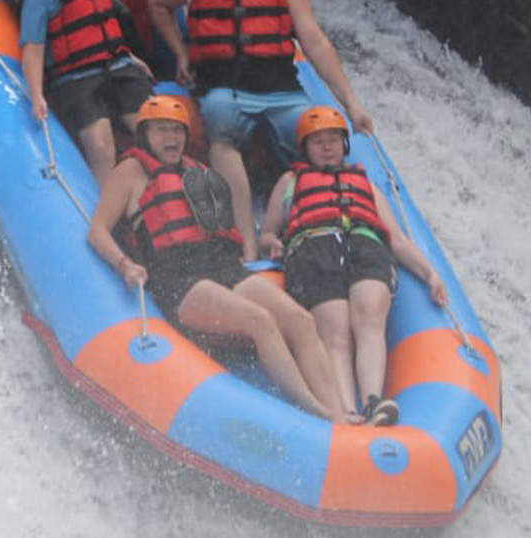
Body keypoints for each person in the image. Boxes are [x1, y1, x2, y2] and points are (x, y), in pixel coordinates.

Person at [87, 95, 357, 423]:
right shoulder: (130, 171)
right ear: (144, 134)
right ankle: (317, 411)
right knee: (260, 320)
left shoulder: (198, 172)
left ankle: (341, 414)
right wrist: (124, 264)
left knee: (301, 321)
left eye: (177, 130)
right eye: (160, 130)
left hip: (222, 267)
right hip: (178, 279)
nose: (171, 138)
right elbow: (98, 231)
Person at [147, 0, 375, 260]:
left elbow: (314, 41)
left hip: (280, 89)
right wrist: (180, 52)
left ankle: (313, 231)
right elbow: (157, 3)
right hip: (223, 88)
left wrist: (351, 103)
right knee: (223, 133)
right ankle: (247, 245)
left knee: (312, 139)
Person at [258, 107, 448, 425]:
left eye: (333, 139)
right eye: (318, 141)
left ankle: (373, 402)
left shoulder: (365, 184)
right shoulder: (290, 182)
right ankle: (346, 410)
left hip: (365, 246)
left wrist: (430, 274)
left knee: (369, 319)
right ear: (305, 147)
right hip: (314, 249)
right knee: (335, 331)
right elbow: (267, 232)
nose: (327, 146)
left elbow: (397, 239)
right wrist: (271, 244)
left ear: (344, 144)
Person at [20, 0, 154, 185]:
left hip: (117, 68)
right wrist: (36, 95)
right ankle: (111, 218)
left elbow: (108, 28)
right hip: (76, 80)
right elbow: (32, 51)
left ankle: (170, 198)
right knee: (101, 147)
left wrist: (130, 57)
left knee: (153, 131)